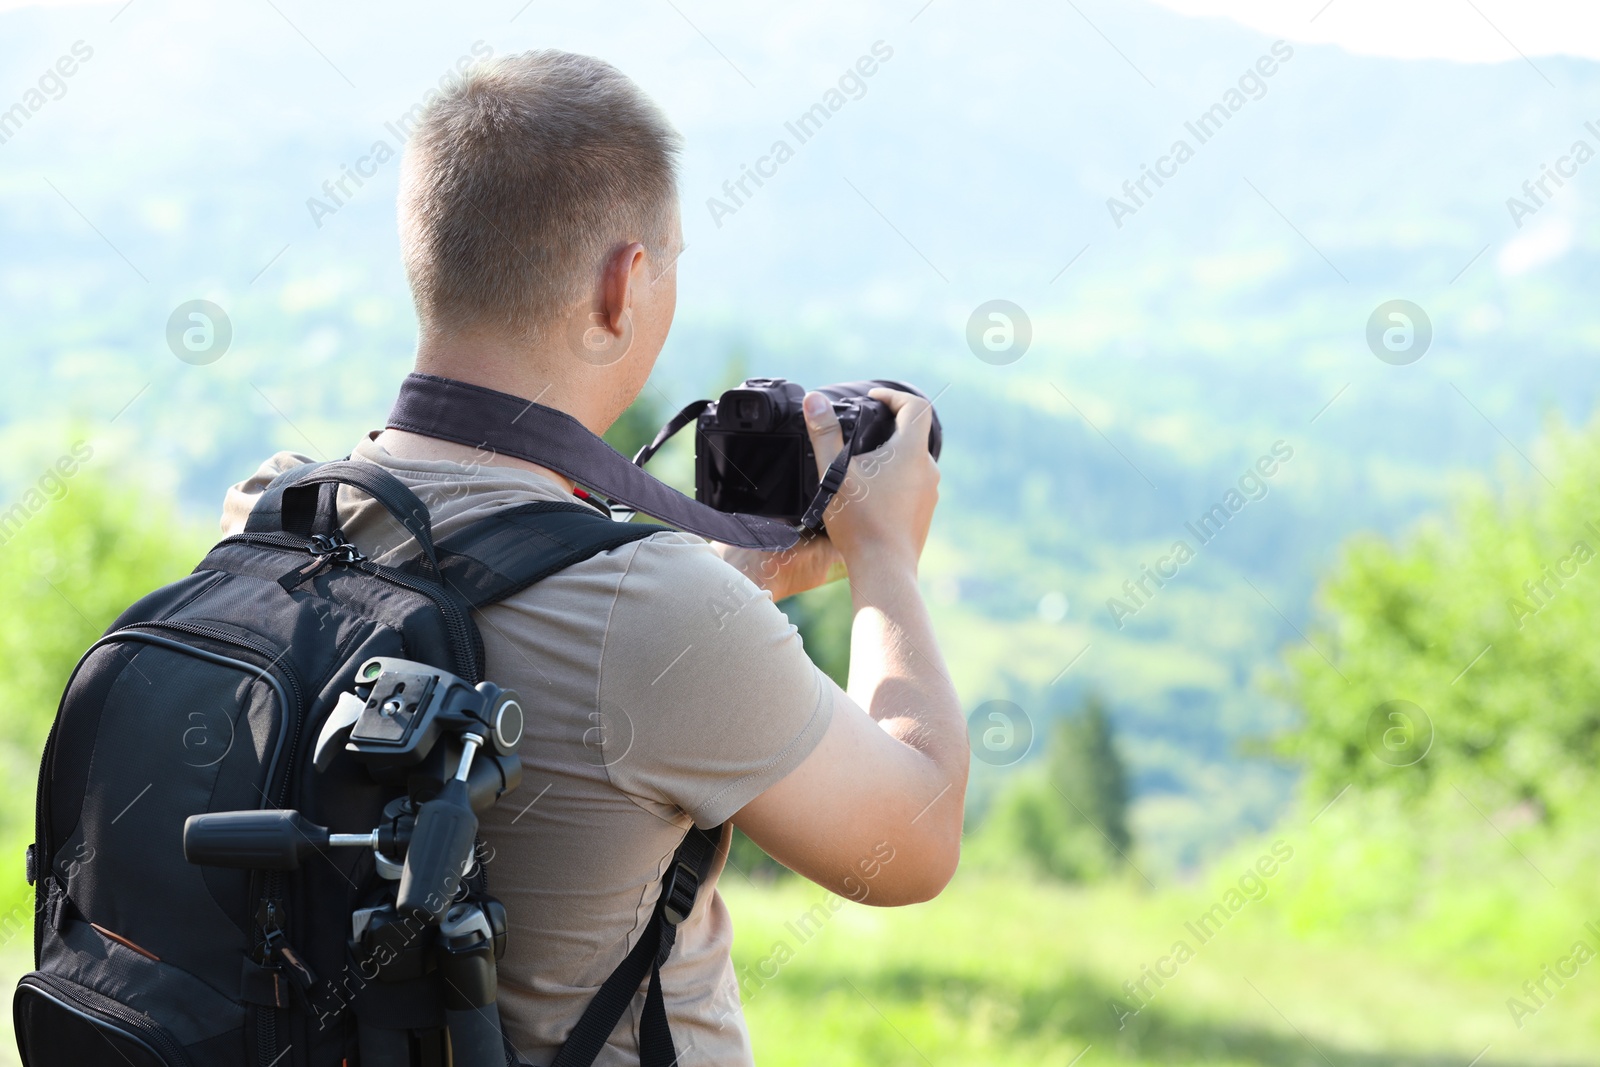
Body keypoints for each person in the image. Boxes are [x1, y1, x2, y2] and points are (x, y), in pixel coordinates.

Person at [220, 49, 967, 1066]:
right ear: (623, 286)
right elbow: (911, 840)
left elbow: (493, 589)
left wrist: (729, 588)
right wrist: (883, 555)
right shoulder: (656, 615)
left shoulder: (274, 516)